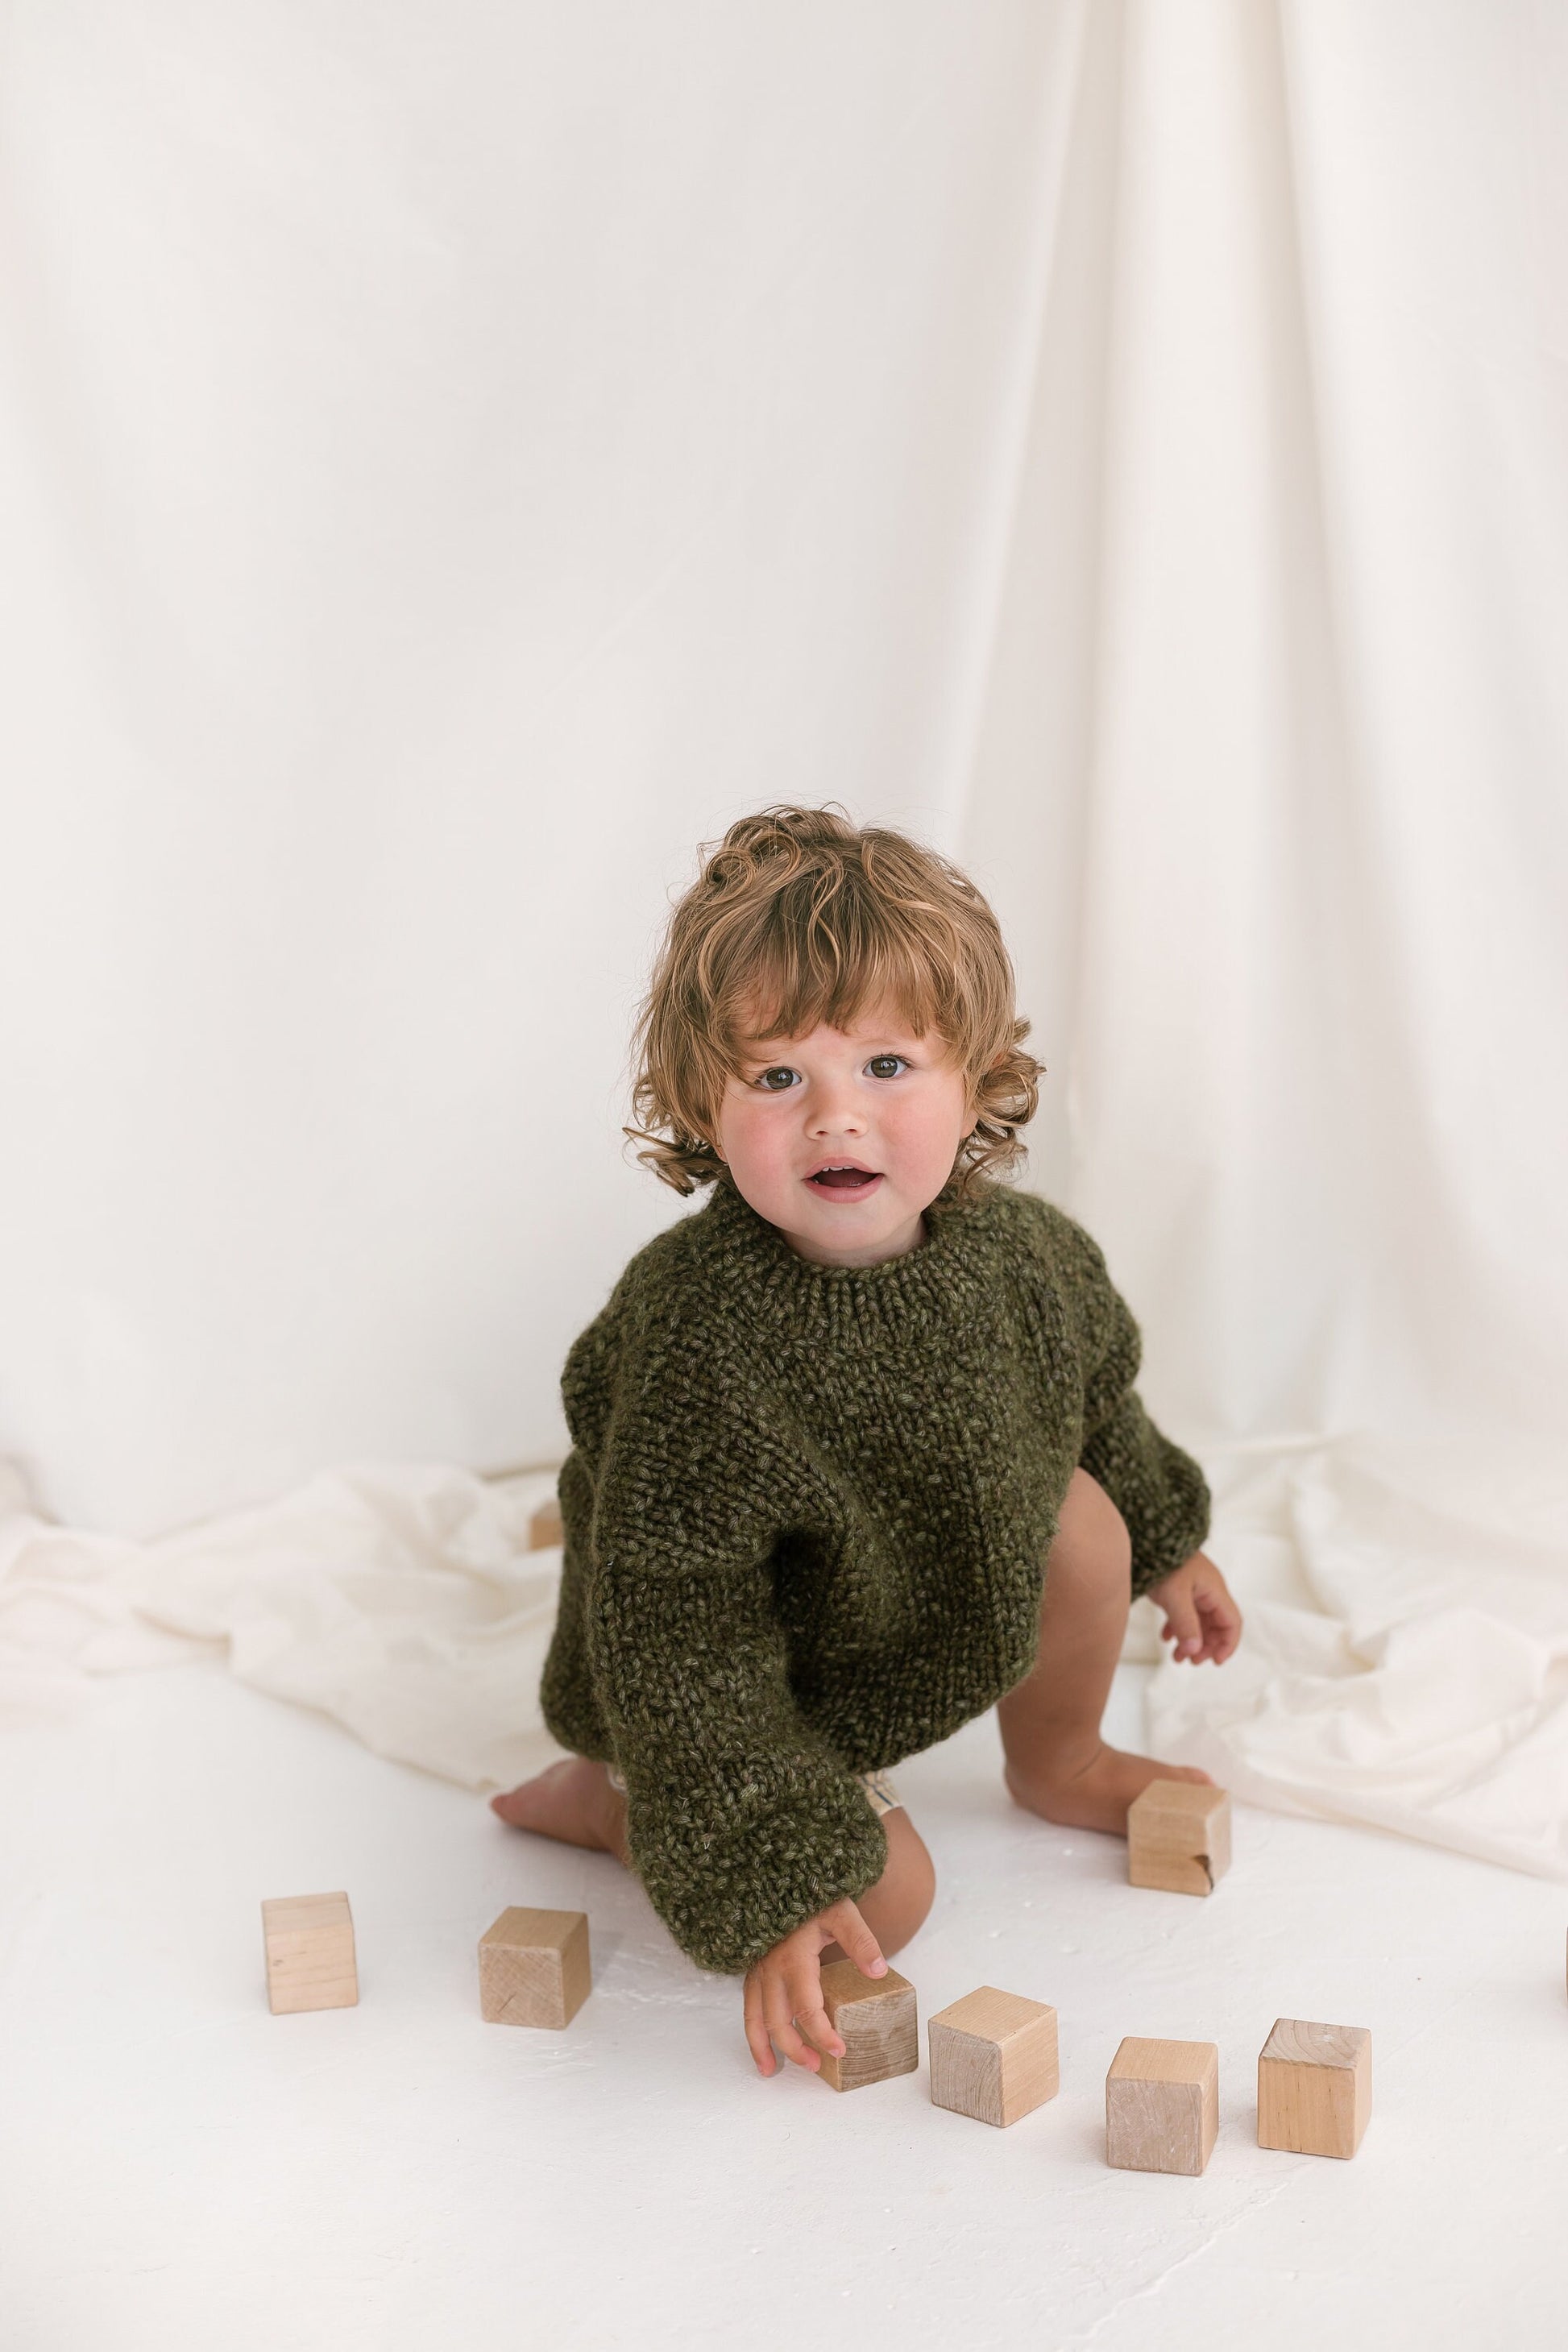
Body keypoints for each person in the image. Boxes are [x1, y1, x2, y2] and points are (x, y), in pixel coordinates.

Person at [492, 804, 1242, 2080]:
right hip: (742, 1683)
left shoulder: (1022, 1260)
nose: (836, 1118)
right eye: (780, 1078)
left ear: (975, 1078)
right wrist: (766, 1860)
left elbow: (1094, 1397)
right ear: (701, 1105)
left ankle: (1056, 1761)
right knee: (878, 1912)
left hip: (921, 1596)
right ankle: (617, 1807)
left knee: (1086, 1521)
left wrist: (1165, 1544)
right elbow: (678, 1630)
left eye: (886, 1068)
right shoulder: (703, 1343)